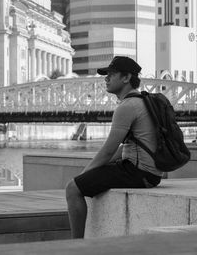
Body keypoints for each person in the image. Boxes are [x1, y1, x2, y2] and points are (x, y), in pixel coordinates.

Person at [65, 56, 163, 239]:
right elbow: (122, 150)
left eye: (111, 74)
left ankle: (75, 245)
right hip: (151, 174)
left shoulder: (127, 106)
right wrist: (92, 173)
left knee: (72, 189)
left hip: (138, 173)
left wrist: (82, 175)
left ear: (126, 78)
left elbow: (108, 150)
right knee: (87, 178)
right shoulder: (142, 101)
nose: (106, 78)